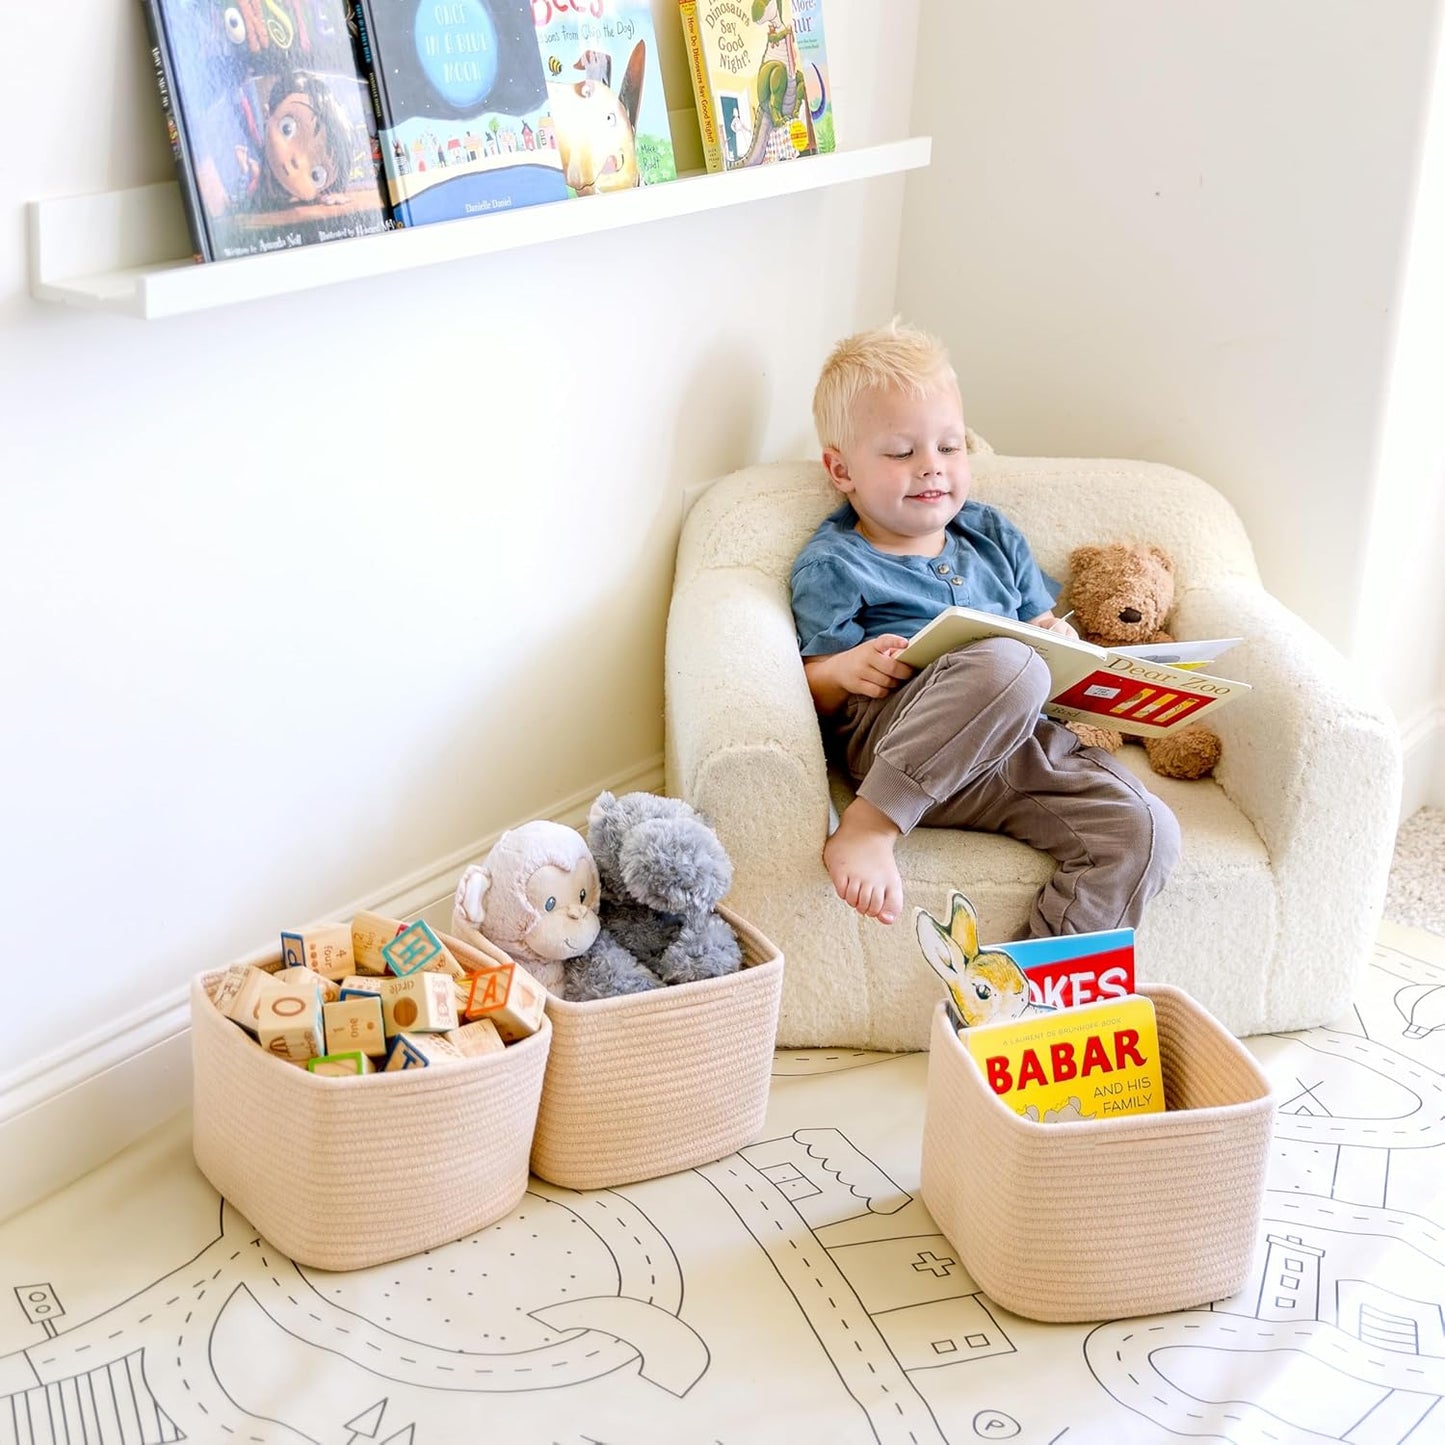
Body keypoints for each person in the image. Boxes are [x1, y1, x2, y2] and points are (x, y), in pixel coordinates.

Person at [790, 319, 1180, 931]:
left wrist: (1064, 641)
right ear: (842, 471)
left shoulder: (991, 533)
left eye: (949, 447)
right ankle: (872, 826)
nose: (932, 468)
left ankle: (1031, 1001)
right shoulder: (836, 562)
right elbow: (808, 679)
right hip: (904, 741)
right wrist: (844, 668)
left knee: (1146, 829)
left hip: (1019, 747)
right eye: (901, 452)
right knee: (1010, 662)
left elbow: (1040, 621)